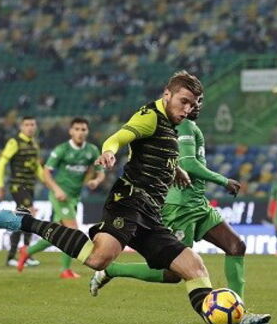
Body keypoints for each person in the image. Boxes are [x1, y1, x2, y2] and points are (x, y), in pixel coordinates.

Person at [0, 71, 270, 324]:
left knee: (193, 267)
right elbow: (120, 136)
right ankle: (25, 221)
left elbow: (154, 153)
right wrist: (109, 151)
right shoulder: (149, 115)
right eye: (183, 101)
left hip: (151, 213)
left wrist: (176, 169)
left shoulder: (172, 126)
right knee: (99, 258)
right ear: (167, 94)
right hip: (129, 201)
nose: (187, 109)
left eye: (192, 104)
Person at [89, 95, 254, 302]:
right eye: (189, 101)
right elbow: (189, 164)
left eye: (199, 101)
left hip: (198, 203)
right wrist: (223, 180)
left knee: (236, 246)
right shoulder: (182, 127)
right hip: (179, 206)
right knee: (173, 273)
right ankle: (112, 269)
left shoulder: (190, 126)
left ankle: (239, 307)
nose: (195, 106)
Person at [17, 117, 105, 278]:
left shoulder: (92, 150)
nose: (80, 132)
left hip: (74, 197)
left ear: (87, 132)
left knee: (59, 234)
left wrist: (95, 181)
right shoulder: (62, 150)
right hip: (60, 196)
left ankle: (27, 251)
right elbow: (46, 172)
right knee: (72, 231)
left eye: (83, 129)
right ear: (71, 131)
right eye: (76, 129)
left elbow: (101, 171)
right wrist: (57, 189)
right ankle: (66, 270)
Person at [0, 116, 66, 268]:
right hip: (18, 186)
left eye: (33, 124)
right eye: (27, 125)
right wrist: (0, 185)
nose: (30, 127)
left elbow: (37, 168)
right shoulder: (14, 142)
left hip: (30, 186)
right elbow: (2, 163)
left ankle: (24, 254)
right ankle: (15, 255)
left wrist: (49, 183)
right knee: (28, 214)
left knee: (25, 219)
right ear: (21, 127)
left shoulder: (34, 143)